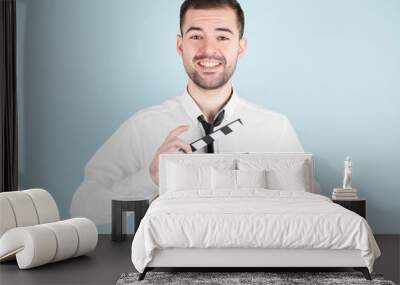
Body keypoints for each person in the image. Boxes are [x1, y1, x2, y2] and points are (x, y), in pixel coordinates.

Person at [70, 0, 304, 225]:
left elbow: (307, 210)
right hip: (168, 264)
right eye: (196, 36)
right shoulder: (143, 127)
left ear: (241, 47)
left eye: (222, 37)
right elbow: (83, 208)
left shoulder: (276, 129)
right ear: (180, 45)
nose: (208, 49)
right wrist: (150, 178)